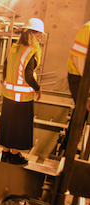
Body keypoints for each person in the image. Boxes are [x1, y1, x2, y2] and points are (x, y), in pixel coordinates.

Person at [0, 18, 43, 165]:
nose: (39, 37)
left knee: (8, 124)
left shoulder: (14, 49)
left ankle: (5, 153)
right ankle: (15, 155)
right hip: (23, 98)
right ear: (31, 34)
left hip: (9, 95)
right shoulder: (30, 52)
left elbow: (5, 69)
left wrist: (8, 84)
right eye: (38, 34)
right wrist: (38, 88)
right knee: (20, 126)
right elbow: (28, 76)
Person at [60, 21, 90, 153]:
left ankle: (69, 146)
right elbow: (79, 60)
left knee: (82, 112)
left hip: (85, 77)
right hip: (79, 76)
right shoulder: (87, 29)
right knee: (82, 110)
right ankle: (68, 149)